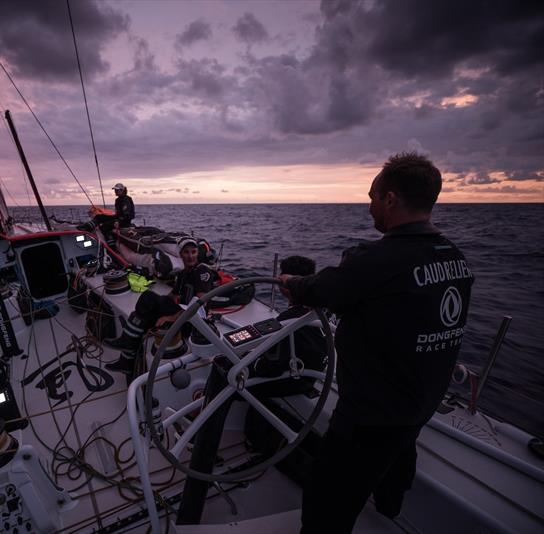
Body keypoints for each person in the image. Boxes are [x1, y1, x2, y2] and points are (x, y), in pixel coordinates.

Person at [279, 152, 473, 533]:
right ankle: (388, 507)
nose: (369, 208)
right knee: (399, 453)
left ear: (389, 199)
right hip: (421, 401)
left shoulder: (378, 260)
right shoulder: (456, 258)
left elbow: (320, 289)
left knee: (327, 501)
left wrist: (289, 283)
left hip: (369, 414)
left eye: (372, 197)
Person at [176, 255, 327, 524]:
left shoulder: (288, 319)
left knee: (224, 372)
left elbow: (270, 366)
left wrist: (245, 365)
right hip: (309, 376)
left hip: (292, 378)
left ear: (284, 285)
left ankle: (203, 438)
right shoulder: (319, 313)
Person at [105, 237, 218, 374]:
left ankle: (127, 345)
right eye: (186, 252)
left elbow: (200, 305)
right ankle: (126, 360)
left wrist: (171, 318)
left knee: (148, 298)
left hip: (193, 323)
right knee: (141, 315)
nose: (190, 256)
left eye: (193, 252)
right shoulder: (183, 273)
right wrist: (158, 303)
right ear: (180, 254)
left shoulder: (201, 272)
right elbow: (173, 295)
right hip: (182, 314)